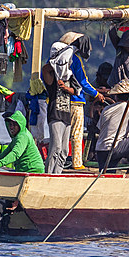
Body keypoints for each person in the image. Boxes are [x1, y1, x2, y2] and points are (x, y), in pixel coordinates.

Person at [59, 32, 104, 170]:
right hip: (75, 101)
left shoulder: (56, 58)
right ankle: (77, 163)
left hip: (60, 100)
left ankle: (60, 162)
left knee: (62, 132)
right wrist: (97, 94)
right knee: (76, 133)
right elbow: (83, 82)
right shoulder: (74, 59)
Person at [94, 81, 129, 172]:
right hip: (113, 149)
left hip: (100, 150)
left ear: (116, 96)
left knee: (108, 175)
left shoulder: (106, 109)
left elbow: (100, 128)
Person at [41, 46, 78, 174]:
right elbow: (45, 69)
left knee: (64, 150)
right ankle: (48, 173)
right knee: (55, 147)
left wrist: (66, 88)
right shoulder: (51, 75)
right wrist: (58, 61)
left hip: (66, 115)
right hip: (55, 115)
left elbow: (76, 90)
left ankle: (57, 173)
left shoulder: (69, 75)